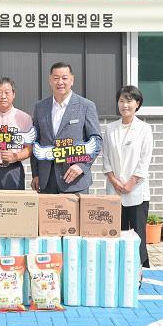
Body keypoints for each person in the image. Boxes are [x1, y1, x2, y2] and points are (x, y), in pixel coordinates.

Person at [102, 86, 153, 273]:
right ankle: (118, 270)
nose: (125, 105)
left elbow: (144, 160)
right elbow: (105, 157)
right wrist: (114, 180)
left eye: (129, 101)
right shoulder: (110, 129)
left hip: (136, 190)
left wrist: (131, 183)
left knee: (138, 234)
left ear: (137, 104)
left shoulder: (144, 129)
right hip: (114, 189)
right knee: (117, 232)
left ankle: (138, 270)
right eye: (121, 101)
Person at [31, 62, 102, 195]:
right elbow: (36, 141)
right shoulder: (40, 107)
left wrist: (82, 165)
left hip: (75, 179)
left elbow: (96, 140)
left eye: (64, 78)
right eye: (56, 78)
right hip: (47, 180)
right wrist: (35, 173)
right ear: (50, 80)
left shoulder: (86, 106)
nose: (60, 82)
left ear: (72, 80)